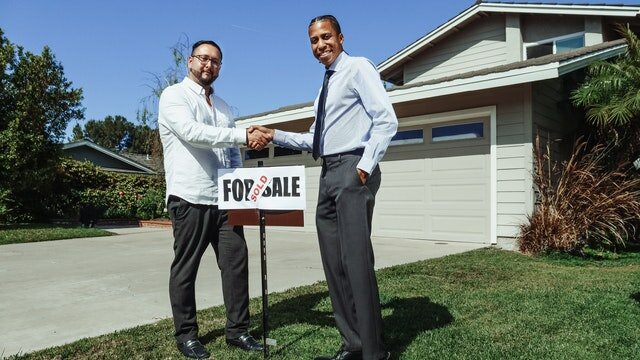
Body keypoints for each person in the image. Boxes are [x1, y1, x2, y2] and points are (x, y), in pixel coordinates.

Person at [252, 14, 397, 360]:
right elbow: (313, 139)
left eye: (326, 37)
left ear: (341, 37)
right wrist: (275, 134)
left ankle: (375, 354)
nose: (320, 45)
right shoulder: (323, 89)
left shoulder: (359, 68)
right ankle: (354, 344)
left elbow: (386, 120)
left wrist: (363, 167)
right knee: (334, 264)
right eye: (314, 41)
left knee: (356, 261)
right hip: (328, 172)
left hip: (351, 168)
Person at [158, 39, 271, 360]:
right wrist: (242, 135)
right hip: (189, 196)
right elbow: (193, 133)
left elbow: (230, 152)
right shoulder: (173, 96)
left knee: (236, 264)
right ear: (190, 62)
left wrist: (241, 187)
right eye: (204, 59)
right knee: (186, 268)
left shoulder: (222, 106)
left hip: (225, 199)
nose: (209, 65)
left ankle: (238, 330)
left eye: (216, 61)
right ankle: (187, 335)